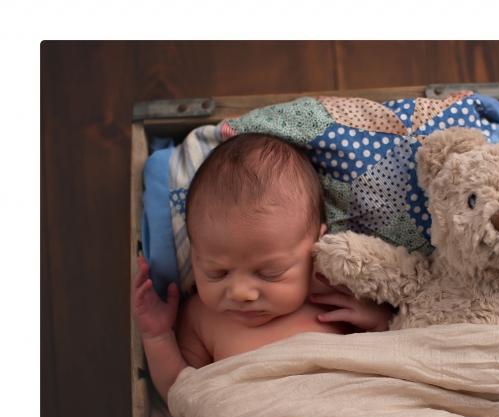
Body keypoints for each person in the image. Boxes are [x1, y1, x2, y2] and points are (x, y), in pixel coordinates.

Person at [131, 133, 392, 403]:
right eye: (216, 273)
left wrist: (377, 320)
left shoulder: (334, 294)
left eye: (270, 273)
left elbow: (389, 359)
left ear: (316, 245)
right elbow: (181, 394)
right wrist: (157, 337)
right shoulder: (199, 317)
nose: (241, 293)